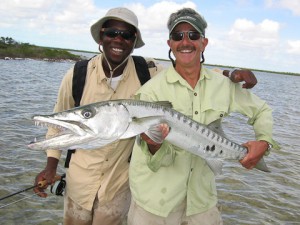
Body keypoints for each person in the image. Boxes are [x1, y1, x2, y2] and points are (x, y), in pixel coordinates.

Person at [33, 7, 258, 225]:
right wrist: (51, 166)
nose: (118, 40)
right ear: (101, 38)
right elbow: (57, 124)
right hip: (78, 184)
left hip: (119, 188)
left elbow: (188, 71)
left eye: (127, 35)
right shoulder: (76, 75)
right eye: (112, 33)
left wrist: (231, 74)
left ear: (133, 41)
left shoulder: (148, 71)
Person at [128, 8, 279, 225]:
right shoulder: (150, 93)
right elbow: (152, 160)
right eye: (178, 36)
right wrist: (154, 146)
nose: (185, 41)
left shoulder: (224, 86)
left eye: (193, 35)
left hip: (202, 202)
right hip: (155, 204)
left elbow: (262, 110)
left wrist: (264, 141)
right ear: (170, 43)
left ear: (204, 43)